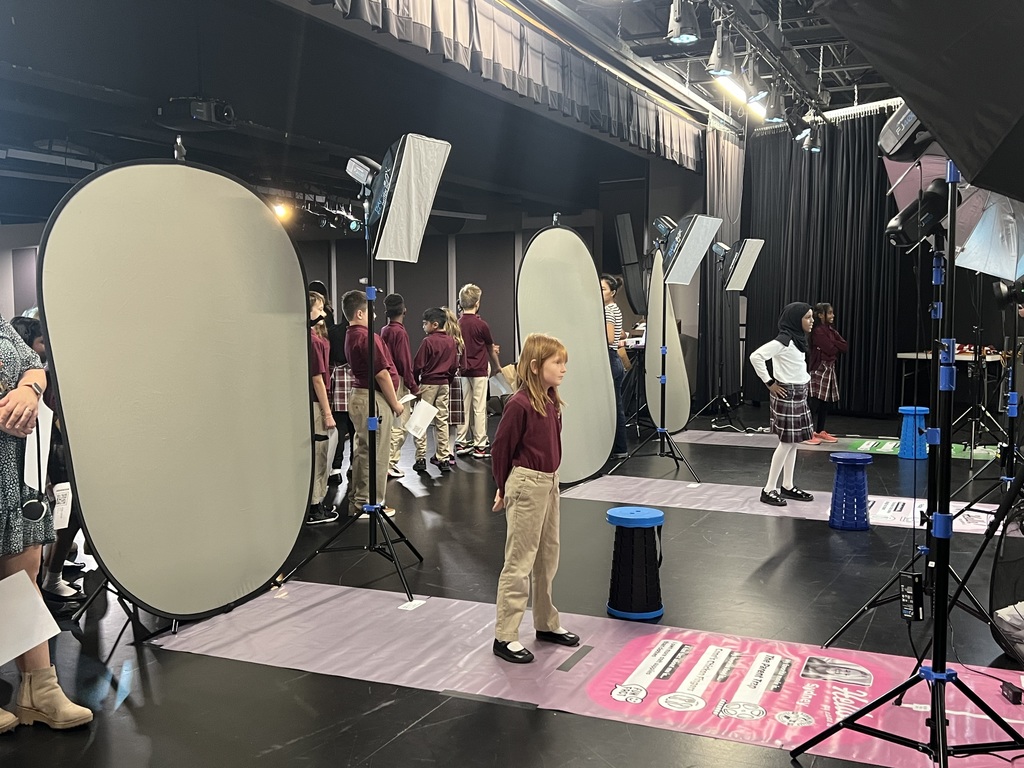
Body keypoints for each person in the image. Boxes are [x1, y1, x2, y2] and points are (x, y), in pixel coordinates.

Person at [0, 314, 92, 733]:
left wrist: (28, 389)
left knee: (22, 577)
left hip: (12, 469)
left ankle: (40, 690)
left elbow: (31, 365)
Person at [491, 333, 580, 663]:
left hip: (549, 482)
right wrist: (502, 487)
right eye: (557, 362)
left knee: (547, 557)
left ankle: (545, 622)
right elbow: (501, 448)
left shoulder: (551, 400)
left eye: (563, 362)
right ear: (534, 365)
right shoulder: (520, 404)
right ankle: (505, 634)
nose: (563, 369)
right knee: (520, 560)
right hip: (527, 484)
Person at [342, 290, 404, 518]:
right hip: (373, 400)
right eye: (371, 311)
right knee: (376, 453)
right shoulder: (367, 337)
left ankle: (359, 500)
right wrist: (395, 403)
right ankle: (370, 503)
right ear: (359, 313)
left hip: (360, 396)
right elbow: (382, 374)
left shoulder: (351, 335)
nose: (375, 316)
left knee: (363, 451)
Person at [749, 303, 816, 507]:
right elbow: (756, 356)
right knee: (787, 442)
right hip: (787, 394)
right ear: (796, 320)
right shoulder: (783, 340)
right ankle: (769, 489)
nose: (812, 321)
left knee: (794, 442)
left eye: (812, 317)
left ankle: (787, 485)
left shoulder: (797, 339)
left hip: (798, 394)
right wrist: (769, 382)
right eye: (807, 317)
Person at [455, 284, 501, 459]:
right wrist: (497, 367)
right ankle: (480, 445)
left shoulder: (457, 324)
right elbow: (490, 349)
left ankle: (461, 442)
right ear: (477, 303)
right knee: (479, 408)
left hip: (462, 371)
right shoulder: (482, 325)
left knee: (463, 407)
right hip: (480, 371)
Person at [412, 308, 459, 474]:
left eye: (425, 324)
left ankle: (420, 458)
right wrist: (449, 379)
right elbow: (454, 365)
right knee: (442, 421)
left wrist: (414, 384)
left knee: (421, 421)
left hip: (428, 384)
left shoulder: (428, 341)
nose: (424, 327)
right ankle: (444, 457)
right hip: (444, 384)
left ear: (435, 324)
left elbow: (418, 365)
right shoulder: (451, 342)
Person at [308, 292, 339, 525]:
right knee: (320, 453)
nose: (324, 312)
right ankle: (315, 505)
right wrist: (327, 413)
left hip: (307, 402)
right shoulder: (314, 342)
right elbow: (318, 379)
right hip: (317, 402)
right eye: (320, 307)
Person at [380, 294, 418, 478]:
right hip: (399, 381)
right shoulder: (400, 333)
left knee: (391, 423)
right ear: (404, 310)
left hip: (387, 379)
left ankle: (387, 461)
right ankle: (389, 462)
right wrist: (413, 386)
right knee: (400, 425)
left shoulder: (384, 330)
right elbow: (404, 362)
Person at [807, 302, 848, 444]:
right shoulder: (818, 331)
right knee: (815, 401)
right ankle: (809, 432)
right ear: (820, 315)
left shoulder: (830, 330)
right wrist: (834, 345)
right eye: (829, 313)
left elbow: (844, 346)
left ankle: (819, 431)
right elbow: (831, 349)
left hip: (829, 368)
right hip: (819, 367)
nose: (832, 315)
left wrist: (834, 344)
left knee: (825, 402)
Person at [601, 274, 629, 459]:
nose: (600, 292)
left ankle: (617, 448)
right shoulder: (614, 309)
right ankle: (619, 448)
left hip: (609, 360)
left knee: (612, 407)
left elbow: (610, 338)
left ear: (612, 292)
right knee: (615, 406)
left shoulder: (608, 311)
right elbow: (620, 334)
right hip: (614, 361)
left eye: (603, 289)